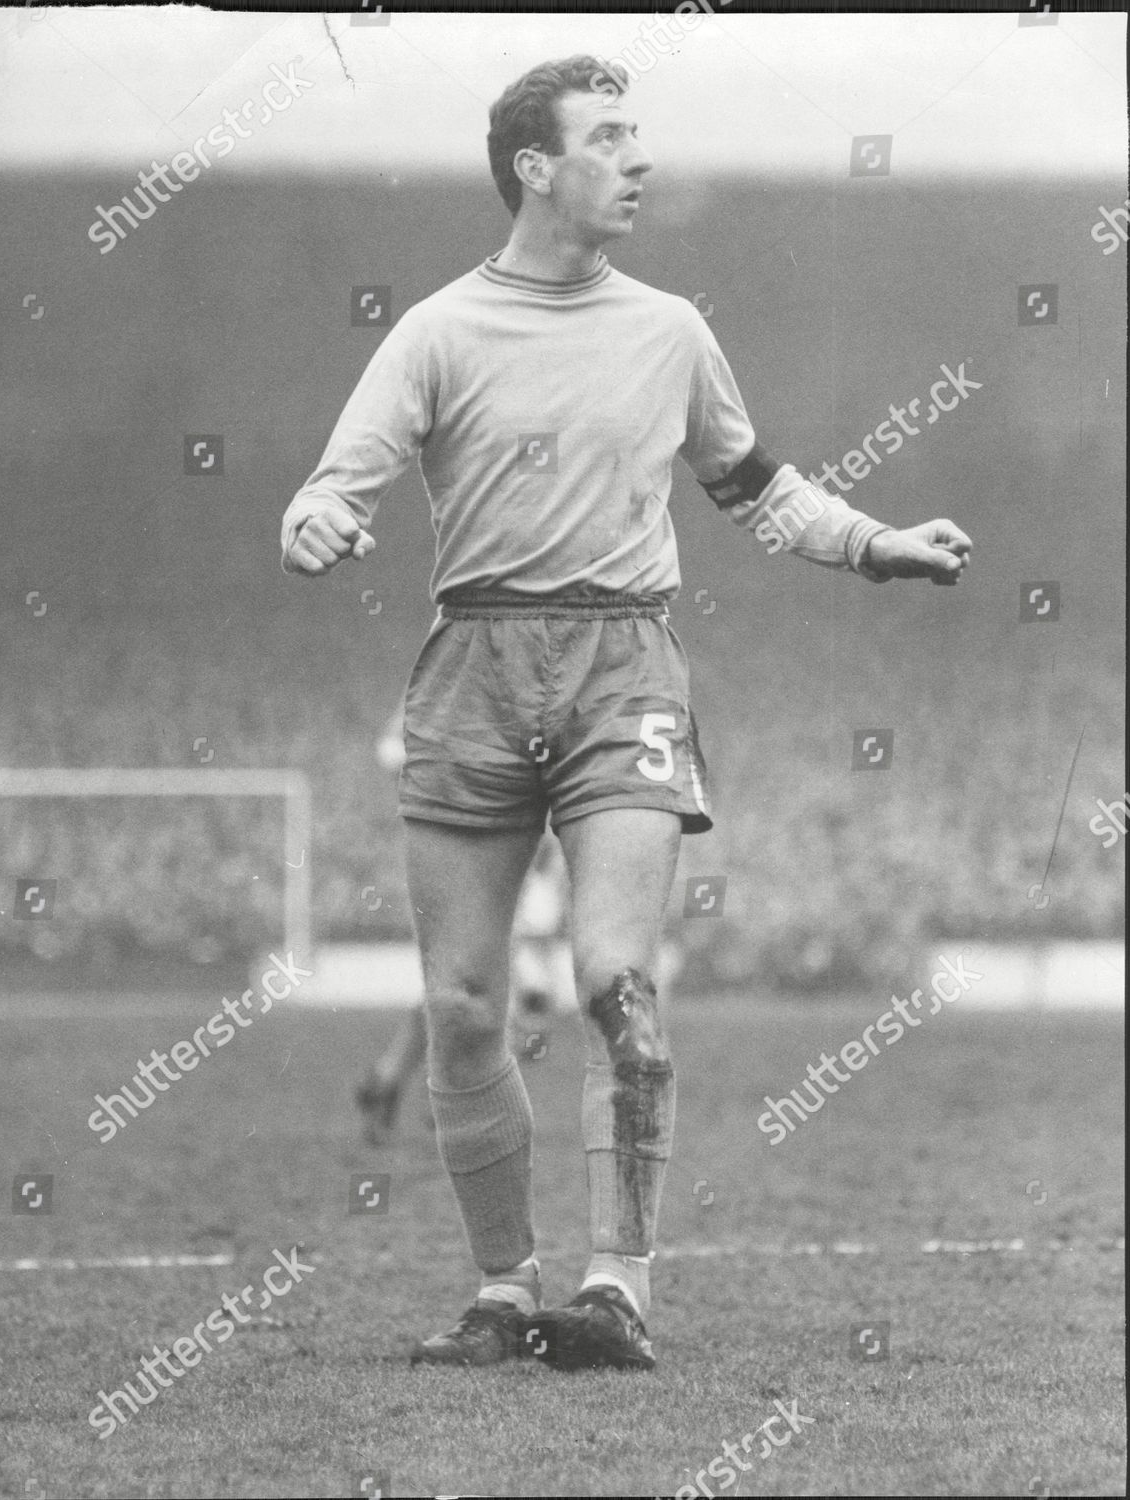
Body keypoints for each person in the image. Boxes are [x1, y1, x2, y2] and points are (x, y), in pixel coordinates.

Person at [280, 55, 972, 1371]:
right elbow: (338, 477)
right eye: (608, 137)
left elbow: (756, 485)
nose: (639, 159)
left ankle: (613, 1291)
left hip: (622, 668)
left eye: (638, 135)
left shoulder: (669, 330)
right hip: (471, 664)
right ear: (535, 166)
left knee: (614, 984)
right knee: (466, 1002)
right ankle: (499, 1294)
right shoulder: (435, 331)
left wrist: (876, 543)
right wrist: (314, 515)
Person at [356, 706, 566, 1146]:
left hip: (499, 847)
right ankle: (456, 1098)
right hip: (456, 843)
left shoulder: (524, 688)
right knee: (470, 980)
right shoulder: (446, 679)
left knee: (460, 980)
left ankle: (395, 1082)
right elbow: (392, 747)